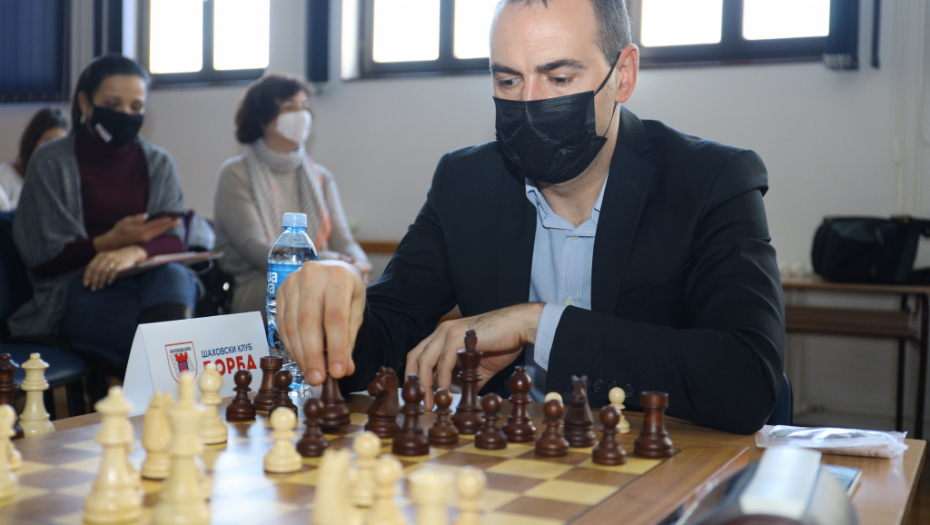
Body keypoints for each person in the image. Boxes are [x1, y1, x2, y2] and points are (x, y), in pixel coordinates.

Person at [276, 0, 785, 435]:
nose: (529, 104)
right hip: (516, 470)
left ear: (623, 75)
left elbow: (748, 380)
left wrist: (536, 324)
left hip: (665, 467)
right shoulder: (465, 184)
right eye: (508, 79)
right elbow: (387, 334)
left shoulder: (711, 180)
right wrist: (336, 304)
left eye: (559, 78)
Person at [10, 54, 197, 368]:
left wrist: (133, 252)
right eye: (113, 104)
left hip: (146, 280)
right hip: (76, 287)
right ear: (85, 102)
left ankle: (172, 384)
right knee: (168, 343)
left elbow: (174, 239)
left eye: (136, 107)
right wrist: (108, 242)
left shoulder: (158, 162)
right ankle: (179, 384)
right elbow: (41, 257)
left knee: (173, 276)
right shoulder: (50, 161)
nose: (125, 114)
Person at [213, 74, 370, 317]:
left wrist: (360, 265)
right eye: (289, 108)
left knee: (353, 289)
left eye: (304, 107)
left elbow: (344, 241)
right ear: (262, 118)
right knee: (323, 288)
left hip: (322, 276)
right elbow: (256, 249)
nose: (301, 115)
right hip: (260, 284)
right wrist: (329, 261)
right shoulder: (235, 173)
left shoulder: (321, 176)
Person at [0, 108, 68, 211]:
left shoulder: (63, 184)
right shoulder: (5, 177)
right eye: (49, 143)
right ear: (32, 142)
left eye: (60, 145)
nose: (53, 151)